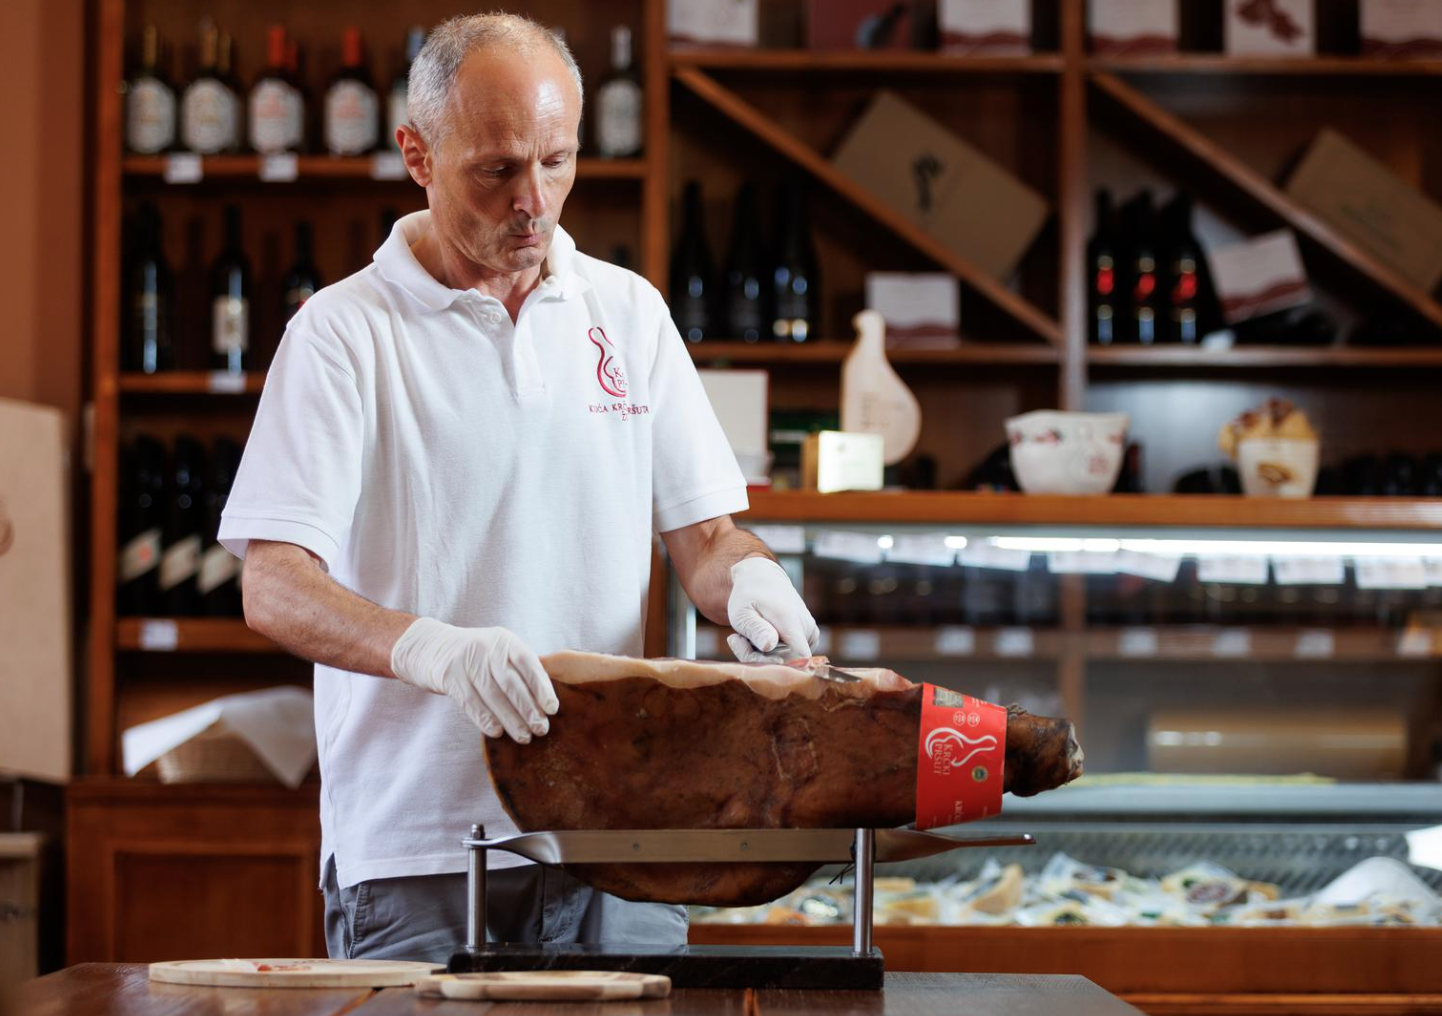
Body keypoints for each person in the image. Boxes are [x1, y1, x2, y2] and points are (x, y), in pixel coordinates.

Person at [218, 13, 818, 964]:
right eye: (496, 170)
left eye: (557, 161)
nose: (533, 202)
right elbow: (274, 583)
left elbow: (706, 540)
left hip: (619, 837)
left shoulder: (629, 313)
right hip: (419, 849)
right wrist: (433, 651)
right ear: (418, 154)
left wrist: (751, 578)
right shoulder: (342, 333)